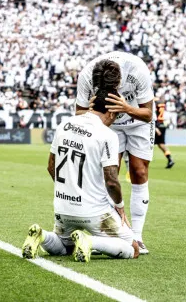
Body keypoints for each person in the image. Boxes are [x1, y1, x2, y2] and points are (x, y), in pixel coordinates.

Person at [22, 60, 139, 262]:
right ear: (111, 111)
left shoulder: (64, 125)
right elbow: (111, 180)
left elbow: (51, 166)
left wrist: (70, 191)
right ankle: (90, 241)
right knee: (133, 248)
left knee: (63, 246)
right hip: (95, 212)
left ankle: (42, 236)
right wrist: (119, 206)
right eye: (116, 116)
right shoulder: (107, 134)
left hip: (63, 208)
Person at [75, 52, 154, 253]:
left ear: (120, 79)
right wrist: (89, 111)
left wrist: (127, 108)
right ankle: (107, 235)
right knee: (109, 174)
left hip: (137, 121)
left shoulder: (137, 69)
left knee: (139, 171)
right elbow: (78, 113)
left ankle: (137, 235)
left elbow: (148, 114)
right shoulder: (86, 75)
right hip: (109, 124)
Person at [154, 99, 174, 169]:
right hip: (162, 125)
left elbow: (153, 116)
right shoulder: (161, 104)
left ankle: (143, 162)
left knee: (147, 144)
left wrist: (155, 127)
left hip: (156, 126)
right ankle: (170, 159)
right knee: (161, 144)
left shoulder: (153, 103)